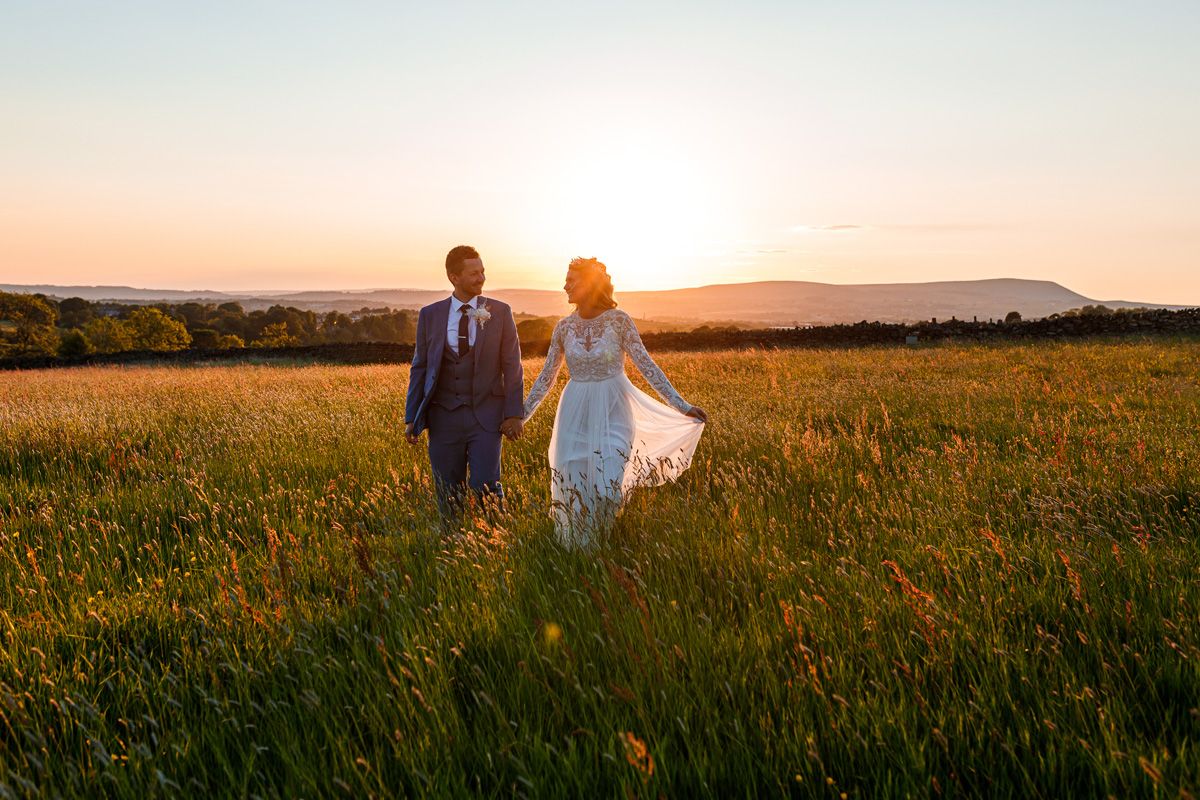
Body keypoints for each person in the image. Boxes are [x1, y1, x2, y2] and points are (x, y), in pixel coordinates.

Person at [523, 257, 707, 548]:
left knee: (609, 479)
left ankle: (601, 539)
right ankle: (577, 547)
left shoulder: (619, 321)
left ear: (592, 285)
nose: (565, 286)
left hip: (615, 407)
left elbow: (647, 366)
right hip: (575, 410)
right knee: (572, 476)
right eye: (566, 279)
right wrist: (521, 416)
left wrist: (681, 406)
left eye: (573, 280)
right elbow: (546, 376)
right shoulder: (563, 328)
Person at [405, 245, 524, 523]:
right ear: (453, 277)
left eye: (482, 272)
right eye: (474, 273)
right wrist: (412, 417)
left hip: (486, 416)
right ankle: (453, 542)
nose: (481, 278)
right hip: (443, 416)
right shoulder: (430, 315)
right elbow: (419, 367)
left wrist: (515, 413)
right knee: (447, 489)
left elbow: (512, 366)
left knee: (486, 484)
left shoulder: (501, 312)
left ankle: (493, 538)